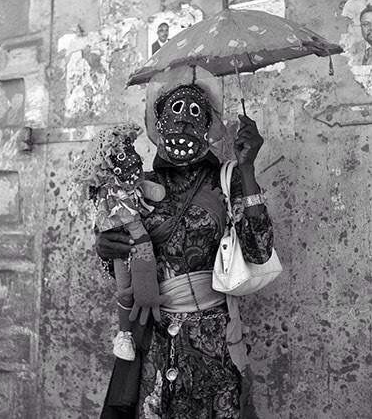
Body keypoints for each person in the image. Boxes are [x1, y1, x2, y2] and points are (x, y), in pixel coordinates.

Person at [97, 66, 274, 418]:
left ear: (208, 127)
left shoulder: (227, 179)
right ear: (157, 124)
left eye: (195, 114)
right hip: (155, 344)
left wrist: (248, 169)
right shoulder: (135, 187)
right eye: (173, 114)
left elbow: (259, 251)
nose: (182, 124)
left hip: (215, 348)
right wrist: (105, 250)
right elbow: (119, 269)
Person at [72, 124, 167, 362]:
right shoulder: (117, 189)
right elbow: (107, 237)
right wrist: (104, 247)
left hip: (204, 324)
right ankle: (124, 335)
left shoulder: (218, 181)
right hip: (151, 337)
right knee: (125, 290)